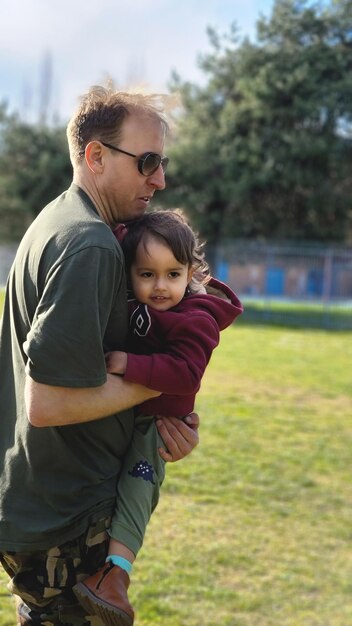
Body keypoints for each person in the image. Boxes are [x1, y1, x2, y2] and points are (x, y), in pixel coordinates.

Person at [0, 86, 200, 626]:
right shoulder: (88, 242)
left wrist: (155, 416)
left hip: (46, 507)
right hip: (67, 519)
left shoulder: (58, 221)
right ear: (95, 156)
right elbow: (48, 404)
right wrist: (165, 382)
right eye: (148, 162)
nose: (159, 179)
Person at [72, 209, 243, 625]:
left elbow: (185, 372)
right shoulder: (132, 297)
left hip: (158, 424)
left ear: (191, 272)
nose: (160, 286)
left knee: (138, 485)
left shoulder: (198, 318)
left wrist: (129, 363)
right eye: (146, 274)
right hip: (126, 416)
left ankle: (115, 577)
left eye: (172, 274)